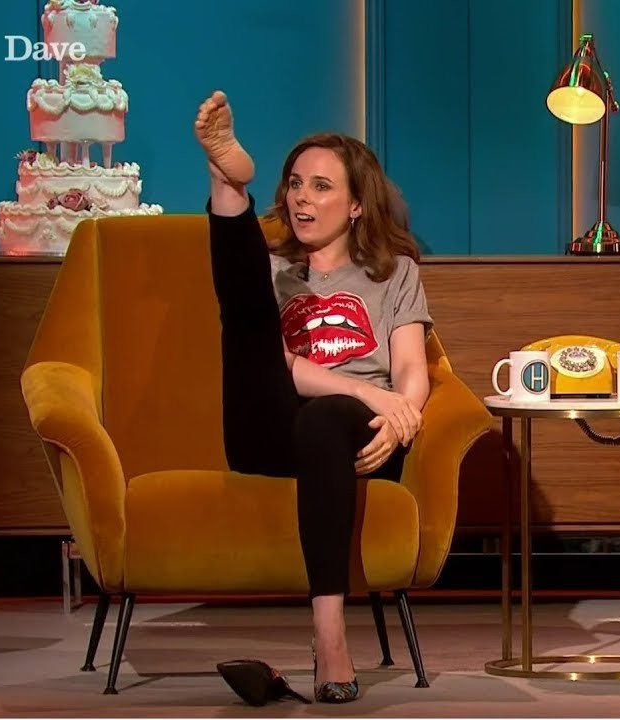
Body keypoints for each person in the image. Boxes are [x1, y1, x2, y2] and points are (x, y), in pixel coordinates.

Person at [194, 90, 432, 703]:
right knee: (247, 318)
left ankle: (329, 637)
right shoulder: (273, 271)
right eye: (296, 184)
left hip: (356, 439)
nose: (302, 197)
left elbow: (411, 367)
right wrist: (365, 388)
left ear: (356, 205)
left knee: (326, 418)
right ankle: (227, 184)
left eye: (322, 187)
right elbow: (271, 365)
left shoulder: (393, 273)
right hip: (271, 430)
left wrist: (401, 418)